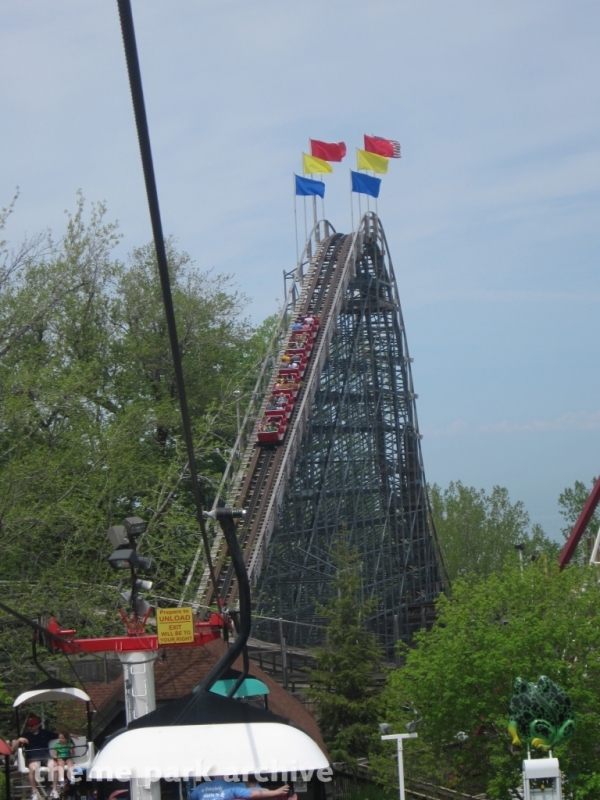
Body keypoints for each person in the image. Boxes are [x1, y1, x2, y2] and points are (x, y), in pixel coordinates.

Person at [13, 715, 59, 800]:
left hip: (45, 756)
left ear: (38, 725)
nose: (29, 727)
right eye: (28, 725)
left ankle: (54, 790)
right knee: (33, 768)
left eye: (32, 725)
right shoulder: (25, 735)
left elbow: (61, 736)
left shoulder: (45, 733)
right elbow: (13, 749)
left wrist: (71, 735)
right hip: (33, 757)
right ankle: (34, 793)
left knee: (55, 766)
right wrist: (19, 740)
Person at [190, 777, 290, 800]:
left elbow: (191, 797)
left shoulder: (199, 788)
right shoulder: (232, 787)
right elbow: (252, 794)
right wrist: (276, 792)